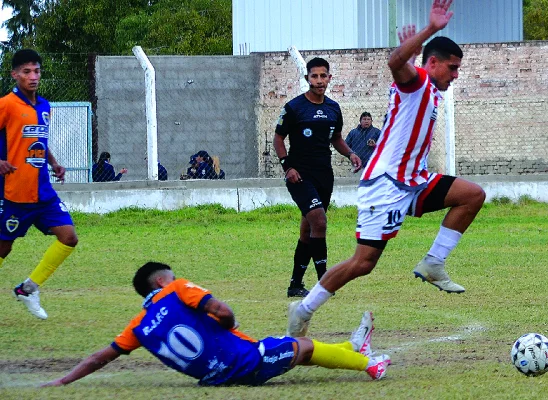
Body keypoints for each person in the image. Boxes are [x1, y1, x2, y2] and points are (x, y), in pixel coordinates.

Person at [287, 0, 486, 338]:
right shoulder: (419, 82)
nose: (456, 75)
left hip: (413, 181)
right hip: (386, 184)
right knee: (362, 264)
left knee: (472, 195)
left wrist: (409, 54)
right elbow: (395, 63)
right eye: (452, 68)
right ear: (432, 63)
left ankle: (434, 263)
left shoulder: (427, 87)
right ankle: (302, 309)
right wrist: (429, 30)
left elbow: (402, 68)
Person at [41, 262, 391, 387]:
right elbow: (222, 312)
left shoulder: (138, 328)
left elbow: (100, 357)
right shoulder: (177, 290)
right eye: (171, 277)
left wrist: (63, 379)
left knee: (290, 350)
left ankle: (351, 349)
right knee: (303, 345)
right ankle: (368, 365)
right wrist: (229, 323)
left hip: (215, 377)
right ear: (161, 282)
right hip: (245, 363)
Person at [273, 57, 362, 298]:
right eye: (314, 76)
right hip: (299, 175)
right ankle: (325, 283)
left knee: (308, 230)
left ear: (329, 78)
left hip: (324, 175)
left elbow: (337, 139)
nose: (319, 81)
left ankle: (295, 285)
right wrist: (287, 167)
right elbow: (278, 139)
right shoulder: (294, 108)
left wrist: (351, 153)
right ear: (307, 79)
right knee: (319, 222)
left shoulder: (333, 108)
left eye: (323, 76)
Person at [0, 49, 79, 320]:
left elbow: (38, 143)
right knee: (3, 248)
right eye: (26, 72)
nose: (33, 77)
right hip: (13, 193)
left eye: (36, 71)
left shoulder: (45, 106)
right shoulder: (6, 104)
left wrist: (54, 163)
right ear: (14, 74)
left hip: (43, 192)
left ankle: (28, 289)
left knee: (69, 238)